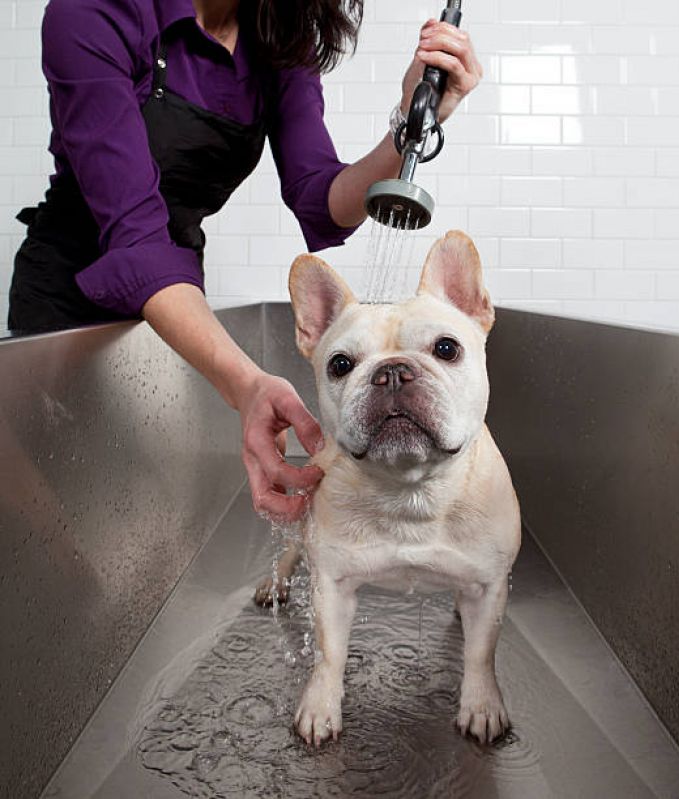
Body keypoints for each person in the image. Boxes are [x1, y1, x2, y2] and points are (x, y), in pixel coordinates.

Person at [7, 0, 482, 521]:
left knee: (150, 501)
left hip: (177, 305)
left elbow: (322, 200)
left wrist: (413, 120)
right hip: (65, 300)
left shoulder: (278, 32)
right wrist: (248, 384)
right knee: (57, 509)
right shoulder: (94, 12)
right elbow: (135, 236)